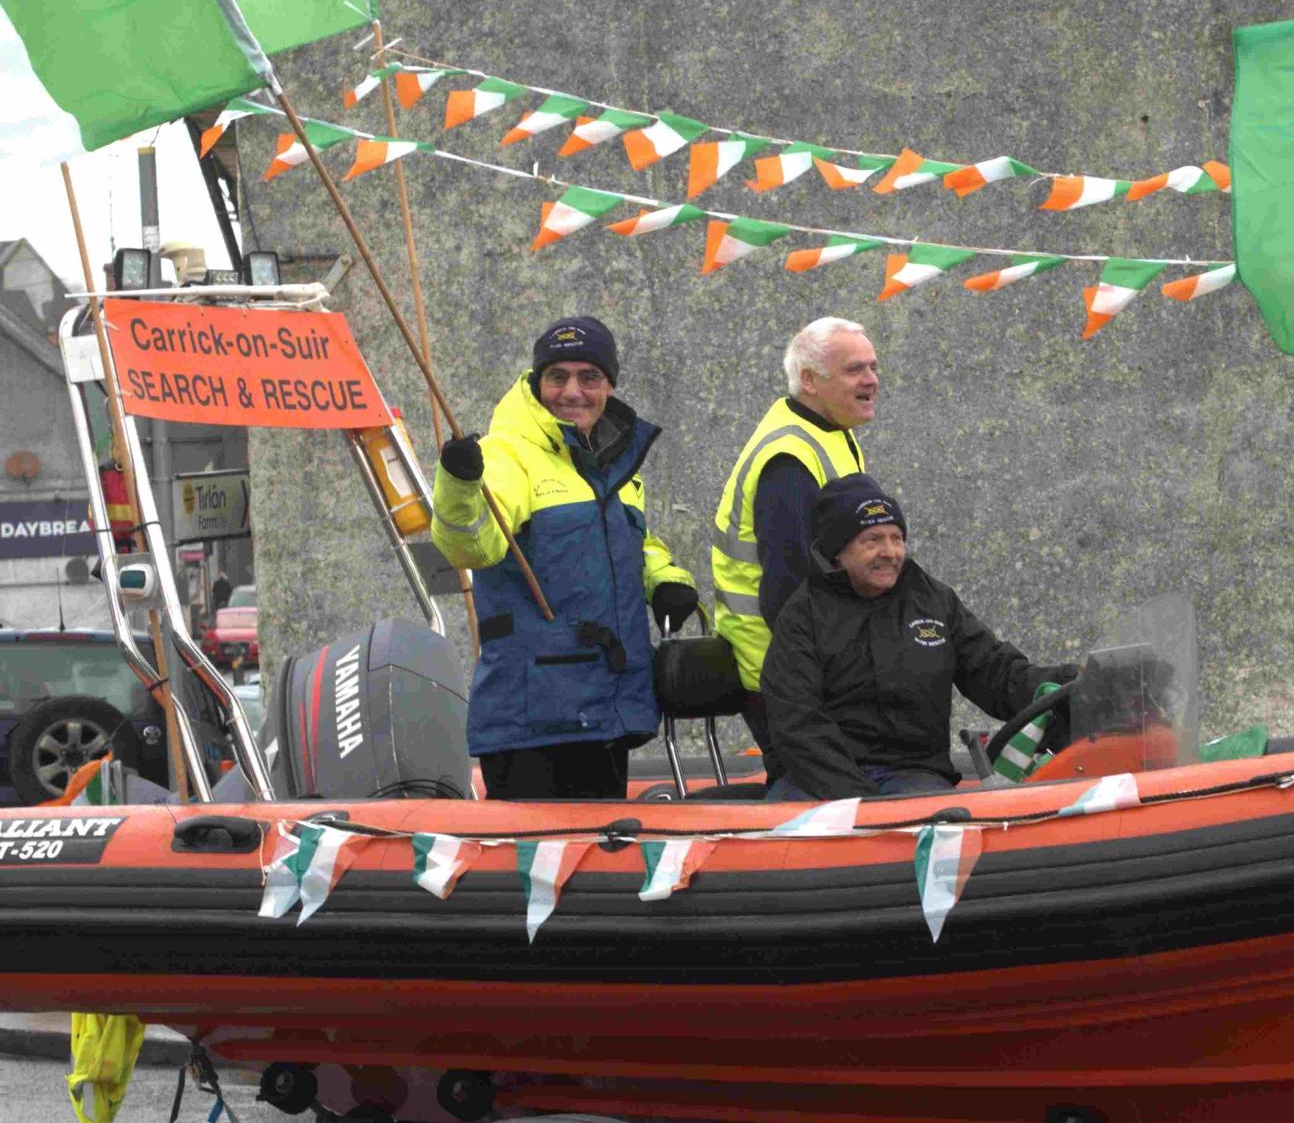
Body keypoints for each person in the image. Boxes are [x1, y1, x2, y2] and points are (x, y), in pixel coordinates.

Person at [432, 316, 700, 799]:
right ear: (538, 383)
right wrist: (459, 484)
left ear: (609, 385)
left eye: (589, 377)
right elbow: (472, 546)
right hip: (534, 718)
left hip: (607, 709)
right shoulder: (506, 454)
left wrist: (664, 579)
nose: (572, 391)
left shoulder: (614, 459)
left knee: (603, 847)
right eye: (557, 376)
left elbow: (633, 541)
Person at [759, 474, 1077, 800]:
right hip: (818, 780)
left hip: (913, 774)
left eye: (896, 538)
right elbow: (796, 722)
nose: (890, 552)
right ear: (838, 551)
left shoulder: (933, 600)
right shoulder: (803, 615)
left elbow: (997, 673)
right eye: (873, 540)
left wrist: (1074, 682)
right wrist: (861, 800)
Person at [711, 317, 878, 767]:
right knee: (818, 793)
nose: (871, 380)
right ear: (810, 380)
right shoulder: (789, 458)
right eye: (854, 370)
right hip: (789, 675)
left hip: (811, 666)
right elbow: (788, 587)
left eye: (873, 367)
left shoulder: (829, 431)